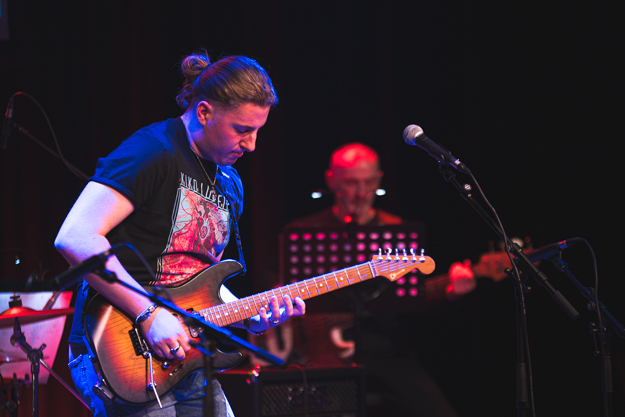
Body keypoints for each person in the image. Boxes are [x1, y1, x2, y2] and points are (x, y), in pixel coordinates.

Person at [54, 52, 305, 416]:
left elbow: (201, 276)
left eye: (257, 131)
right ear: (204, 112)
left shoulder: (229, 181)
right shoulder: (152, 152)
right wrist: (149, 314)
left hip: (187, 352)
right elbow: (75, 237)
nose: (251, 144)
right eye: (242, 130)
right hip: (120, 346)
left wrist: (249, 314)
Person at [284, 143, 475, 416]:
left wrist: (451, 293)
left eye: (369, 182)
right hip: (320, 351)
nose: (361, 193)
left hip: (387, 349)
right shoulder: (305, 230)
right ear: (332, 180)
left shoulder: (397, 231)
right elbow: (274, 280)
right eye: (351, 182)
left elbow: (415, 302)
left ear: (379, 180)